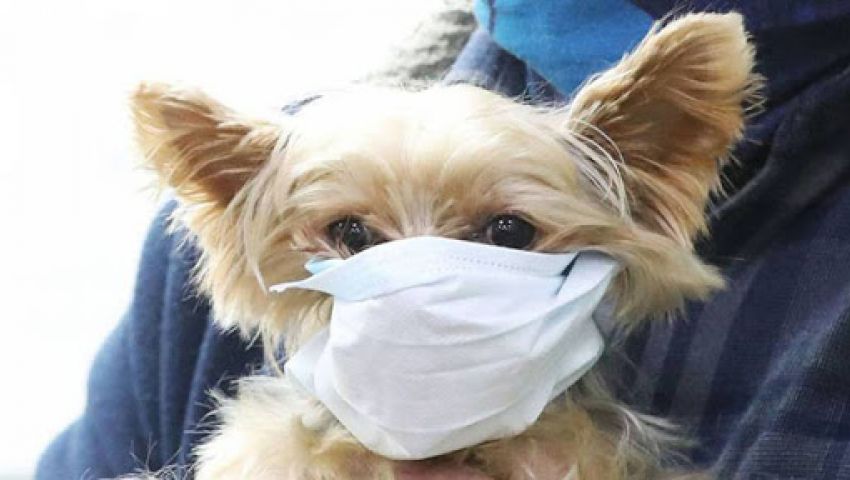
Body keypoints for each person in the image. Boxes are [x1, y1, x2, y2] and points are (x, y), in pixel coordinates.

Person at [37, 1, 850, 478]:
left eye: (505, 232)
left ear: (655, 178)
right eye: (353, 236)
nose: (418, 275)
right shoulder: (206, 284)